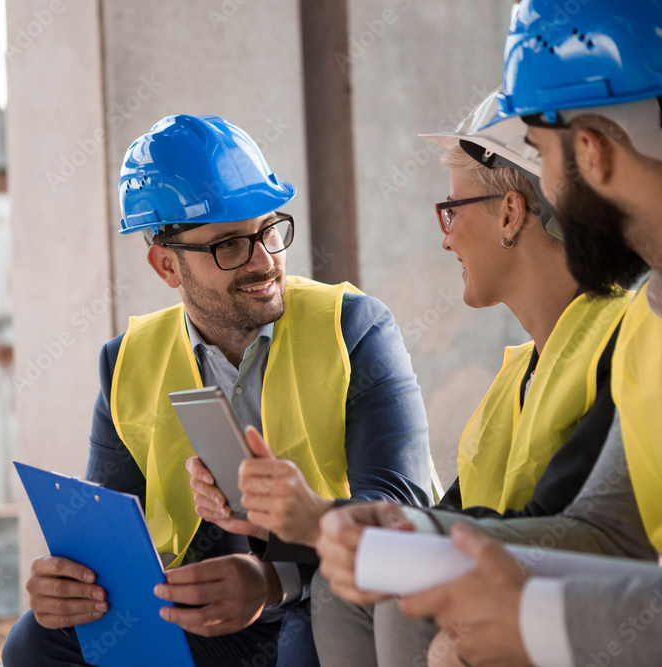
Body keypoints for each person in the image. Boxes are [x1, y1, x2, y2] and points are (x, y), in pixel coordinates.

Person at [190, 89, 634, 665]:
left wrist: (325, 518)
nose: (445, 236)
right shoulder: (521, 371)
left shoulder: (616, 342)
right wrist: (282, 517)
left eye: (452, 210)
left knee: (406, 593)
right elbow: (448, 517)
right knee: (341, 587)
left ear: (509, 213)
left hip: (572, 616)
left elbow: (558, 534)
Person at [0, 114, 433, 666]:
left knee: (307, 638)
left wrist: (274, 578)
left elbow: (398, 507)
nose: (264, 260)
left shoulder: (354, 328)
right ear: (166, 266)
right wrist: (72, 582)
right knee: (35, 642)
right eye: (229, 244)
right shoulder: (127, 360)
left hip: (333, 592)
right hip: (210, 613)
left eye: (269, 230)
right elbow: (110, 532)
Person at [317, 1, 662, 664]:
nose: (545, 198)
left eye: (541, 155)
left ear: (590, 152)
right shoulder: (651, 317)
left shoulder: (622, 328)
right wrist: (413, 528)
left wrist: (543, 618)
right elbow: (609, 530)